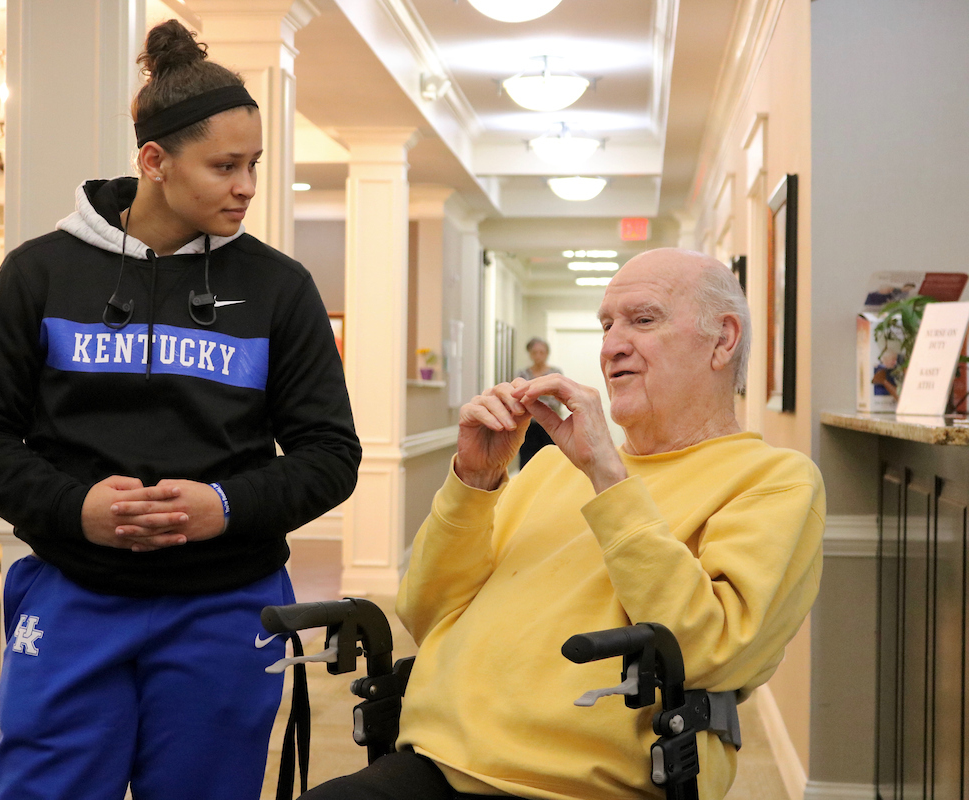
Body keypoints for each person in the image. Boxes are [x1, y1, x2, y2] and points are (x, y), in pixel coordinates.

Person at [0, 20, 360, 800]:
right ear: (154, 162)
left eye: (254, 165)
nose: (246, 186)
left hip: (228, 605)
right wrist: (76, 508)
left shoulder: (280, 288)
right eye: (225, 166)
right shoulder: (38, 273)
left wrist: (225, 506)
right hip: (72, 595)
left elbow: (331, 455)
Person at [301, 248, 824, 800]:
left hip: (576, 786)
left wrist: (608, 476)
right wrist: (473, 483)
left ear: (722, 339)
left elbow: (713, 650)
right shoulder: (550, 466)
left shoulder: (773, 480)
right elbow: (425, 612)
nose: (612, 345)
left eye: (643, 320)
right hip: (434, 759)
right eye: (607, 324)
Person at [515, 336, 562, 467]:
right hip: (528, 426)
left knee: (550, 462)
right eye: (535, 352)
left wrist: (533, 402)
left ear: (547, 354)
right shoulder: (522, 374)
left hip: (550, 426)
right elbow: (519, 399)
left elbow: (557, 400)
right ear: (530, 354)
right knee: (527, 461)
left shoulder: (555, 373)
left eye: (542, 352)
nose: (538, 356)